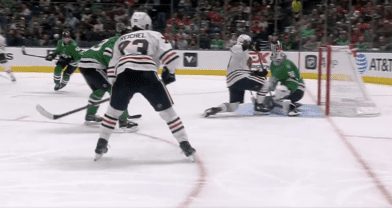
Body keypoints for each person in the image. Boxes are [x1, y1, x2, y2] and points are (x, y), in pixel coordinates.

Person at [94, 12, 196, 161]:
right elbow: (172, 58)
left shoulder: (121, 39)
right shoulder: (154, 34)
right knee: (169, 114)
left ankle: (100, 145)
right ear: (147, 25)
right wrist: (170, 73)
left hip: (124, 75)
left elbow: (111, 69)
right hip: (147, 75)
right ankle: (185, 145)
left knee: (112, 114)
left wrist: (116, 87)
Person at [78, 26, 138, 130]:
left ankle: (90, 116)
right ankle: (123, 121)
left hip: (85, 64)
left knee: (99, 90)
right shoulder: (119, 41)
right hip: (94, 65)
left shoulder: (113, 39)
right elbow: (107, 54)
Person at [202, 34, 271, 117]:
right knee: (265, 84)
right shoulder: (236, 48)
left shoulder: (247, 56)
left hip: (233, 81)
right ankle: (259, 106)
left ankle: (216, 109)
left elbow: (247, 72)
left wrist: (258, 73)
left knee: (233, 107)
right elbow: (242, 48)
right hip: (239, 78)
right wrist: (252, 44)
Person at [261, 51, 305, 116]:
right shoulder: (275, 65)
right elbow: (273, 82)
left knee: (279, 92)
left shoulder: (285, 66)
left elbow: (293, 82)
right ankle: (289, 102)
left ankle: (291, 106)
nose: (276, 61)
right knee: (278, 94)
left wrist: (262, 93)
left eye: (278, 59)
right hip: (291, 88)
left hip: (297, 90)